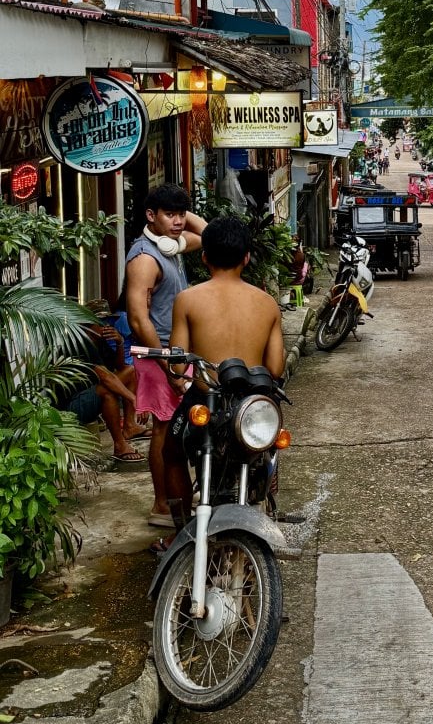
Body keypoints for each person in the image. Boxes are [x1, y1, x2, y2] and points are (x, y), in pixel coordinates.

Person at [158, 217, 284, 545]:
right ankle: (265, 483)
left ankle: (181, 531)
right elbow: (275, 367)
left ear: (204, 257)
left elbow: (177, 364)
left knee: (171, 452)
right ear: (247, 258)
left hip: (206, 398)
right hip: (251, 402)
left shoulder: (188, 299)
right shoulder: (267, 303)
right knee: (269, 441)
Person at [126, 184, 207, 528]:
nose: (178, 222)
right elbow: (137, 318)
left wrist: (181, 214)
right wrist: (167, 365)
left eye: (180, 215)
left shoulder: (170, 246)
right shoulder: (145, 258)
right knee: (164, 428)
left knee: (177, 426)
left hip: (175, 352)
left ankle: (175, 497)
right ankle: (162, 504)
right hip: (158, 352)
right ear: (150, 215)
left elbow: (208, 236)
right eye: (169, 214)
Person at [55, 309, 144, 463]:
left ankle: (130, 426)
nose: (107, 326)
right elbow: (106, 377)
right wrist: (134, 399)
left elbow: (120, 367)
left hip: (88, 394)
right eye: (102, 323)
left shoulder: (99, 341)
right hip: (68, 407)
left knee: (131, 371)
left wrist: (120, 343)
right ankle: (120, 445)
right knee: (106, 391)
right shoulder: (79, 342)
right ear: (88, 324)